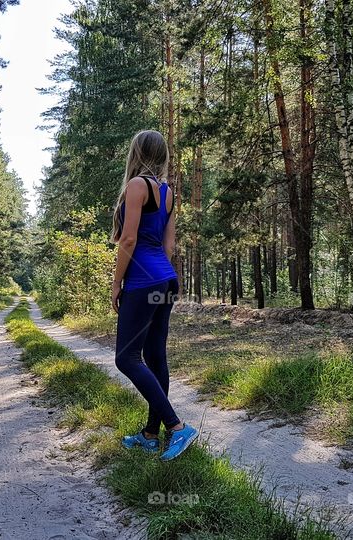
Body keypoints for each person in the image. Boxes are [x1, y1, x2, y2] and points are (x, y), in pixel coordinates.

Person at [110, 129, 197, 461]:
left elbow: (128, 240)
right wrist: (160, 277)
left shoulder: (136, 186)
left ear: (136, 153)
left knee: (126, 358)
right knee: (155, 356)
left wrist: (117, 283)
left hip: (143, 282)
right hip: (165, 280)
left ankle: (176, 427)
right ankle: (150, 434)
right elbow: (169, 246)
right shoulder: (169, 193)